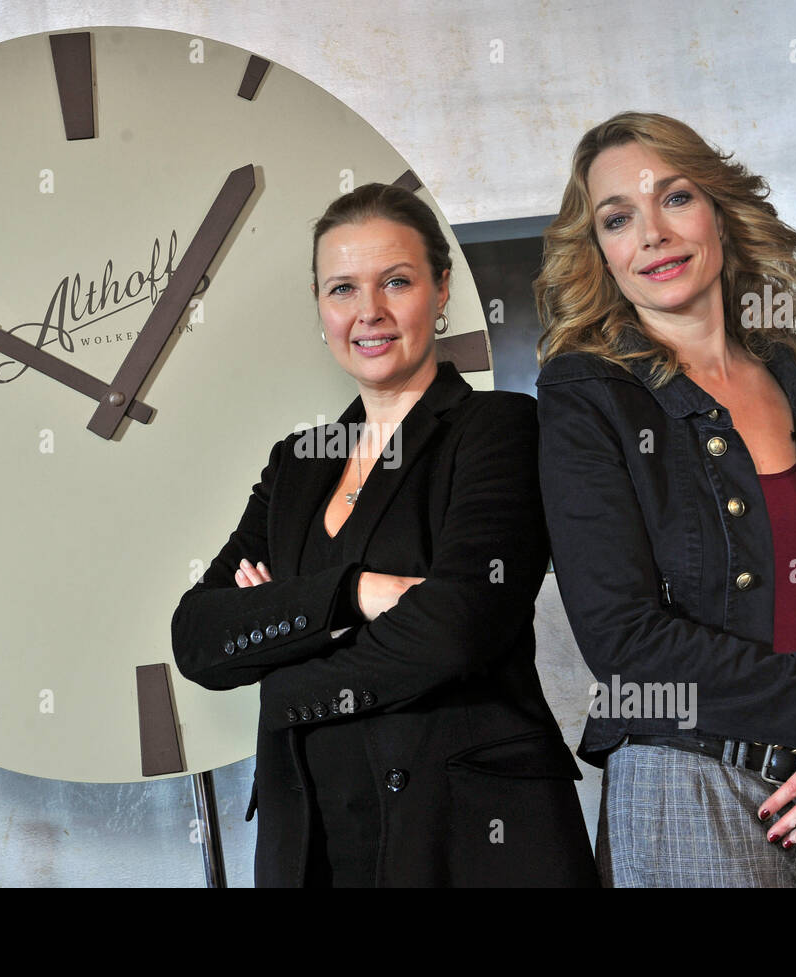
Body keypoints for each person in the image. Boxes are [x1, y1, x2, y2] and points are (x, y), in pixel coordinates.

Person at [533, 111, 796, 887]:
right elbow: (626, 643)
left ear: (721, 210)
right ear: (602, 253)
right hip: (693, 790)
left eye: (676, 198)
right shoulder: (587, 394)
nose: (651, 233)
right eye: (618, 218)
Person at [172, 182, 597, 887]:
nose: (368, 311)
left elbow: (457, 626)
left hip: (468, 842)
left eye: (395, 281)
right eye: (342, 288)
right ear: (319, 305)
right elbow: (200, 636)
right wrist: (354, 593)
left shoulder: (499, 429)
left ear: (441, 289)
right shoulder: (298, 462)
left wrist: (283, 663)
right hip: (313, 844)